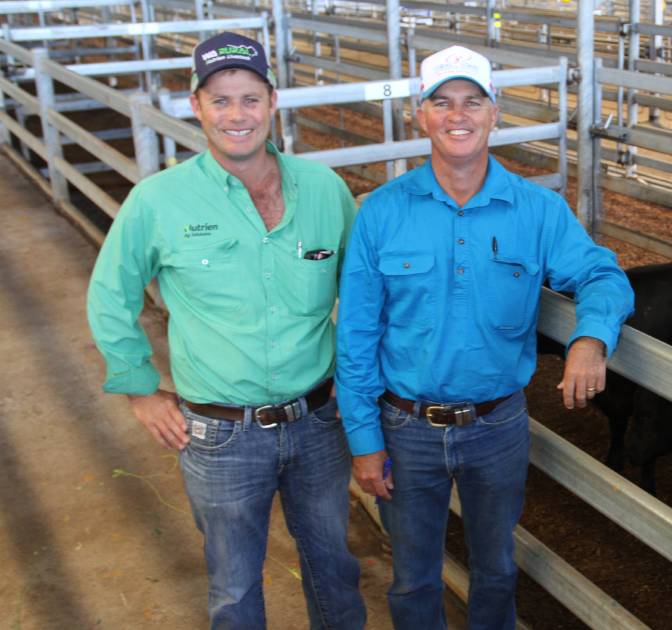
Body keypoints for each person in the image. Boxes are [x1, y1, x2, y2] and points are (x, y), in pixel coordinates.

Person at [336, 45, 634, 629]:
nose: (458, 114)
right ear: (419, 116)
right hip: (404, 428)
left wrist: (590, 338)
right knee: (413, 575)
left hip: (496, 426)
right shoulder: (382, 212)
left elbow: (602, 275)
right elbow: (356, 335)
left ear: (494, 113)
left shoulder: (537, 209)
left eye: (473, 101)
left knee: (496, 566)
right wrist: (364, 438)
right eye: (442, 102)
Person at [86, 31, 366, 629]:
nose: (236, 115)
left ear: (272, 102)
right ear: (196, 105)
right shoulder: (158, 201)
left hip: (318, 421)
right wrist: (139, 388)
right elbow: (111, 294)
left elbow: (363, 294)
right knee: (235, 587)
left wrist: (355, 374)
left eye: (249, 99)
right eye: (220, 100)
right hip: (218, 434)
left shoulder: (324, 191)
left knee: (334, 570)